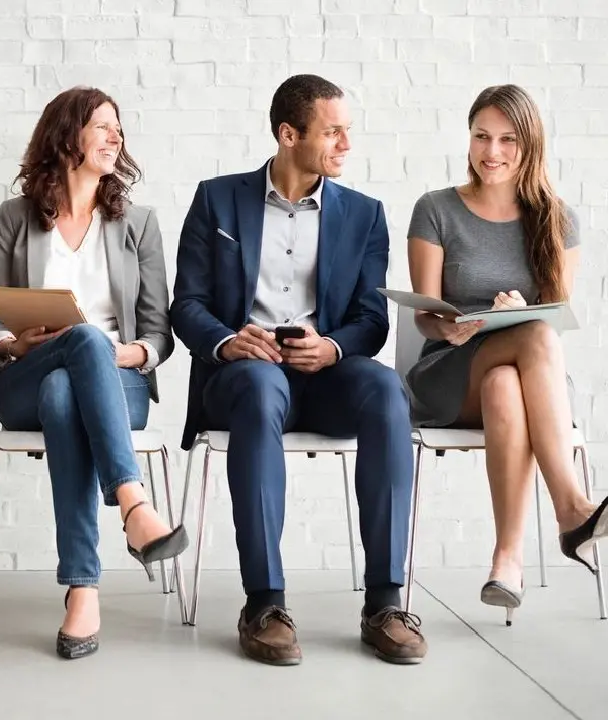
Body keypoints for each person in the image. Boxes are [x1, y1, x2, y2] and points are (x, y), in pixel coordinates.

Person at [171, 74, 427, 665]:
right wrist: (229, 341)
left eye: (347, 131)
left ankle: (386, 602)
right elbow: (186, 303)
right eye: (332, 131)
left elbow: (371, 318)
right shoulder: (218, 199)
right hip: (245, 374)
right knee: (262, 388)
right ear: (289, 135)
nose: (345, 144)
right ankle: (264, 602)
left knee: (387, 389)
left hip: (326, 374)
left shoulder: (364, 214)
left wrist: (333, 347)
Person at [0, 86, 185, 660]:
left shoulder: (138, 224)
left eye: (118, 127)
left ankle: (83, 587)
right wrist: (12, 340)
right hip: (27, 370)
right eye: (101, 125)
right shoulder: (15, 217)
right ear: (65, 134)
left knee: (67, 388)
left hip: (116, 383)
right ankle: (133, 506)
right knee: (67, 360)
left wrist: (127, 353)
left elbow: (156, 333)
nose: (114, 135)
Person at [405, 84, 608, 624]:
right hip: (450, 372)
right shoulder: (436, 210)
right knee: (533, 340)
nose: (491, 152)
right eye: (481, 137)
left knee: (513, 371)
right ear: (468, 139)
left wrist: (520, 308)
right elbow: (423, 313)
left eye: (507, 140)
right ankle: (571, 508)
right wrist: (448, 325)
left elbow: (555, 314)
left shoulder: (557, 220)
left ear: (530, 145)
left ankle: (507, 561)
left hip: (523, 380)